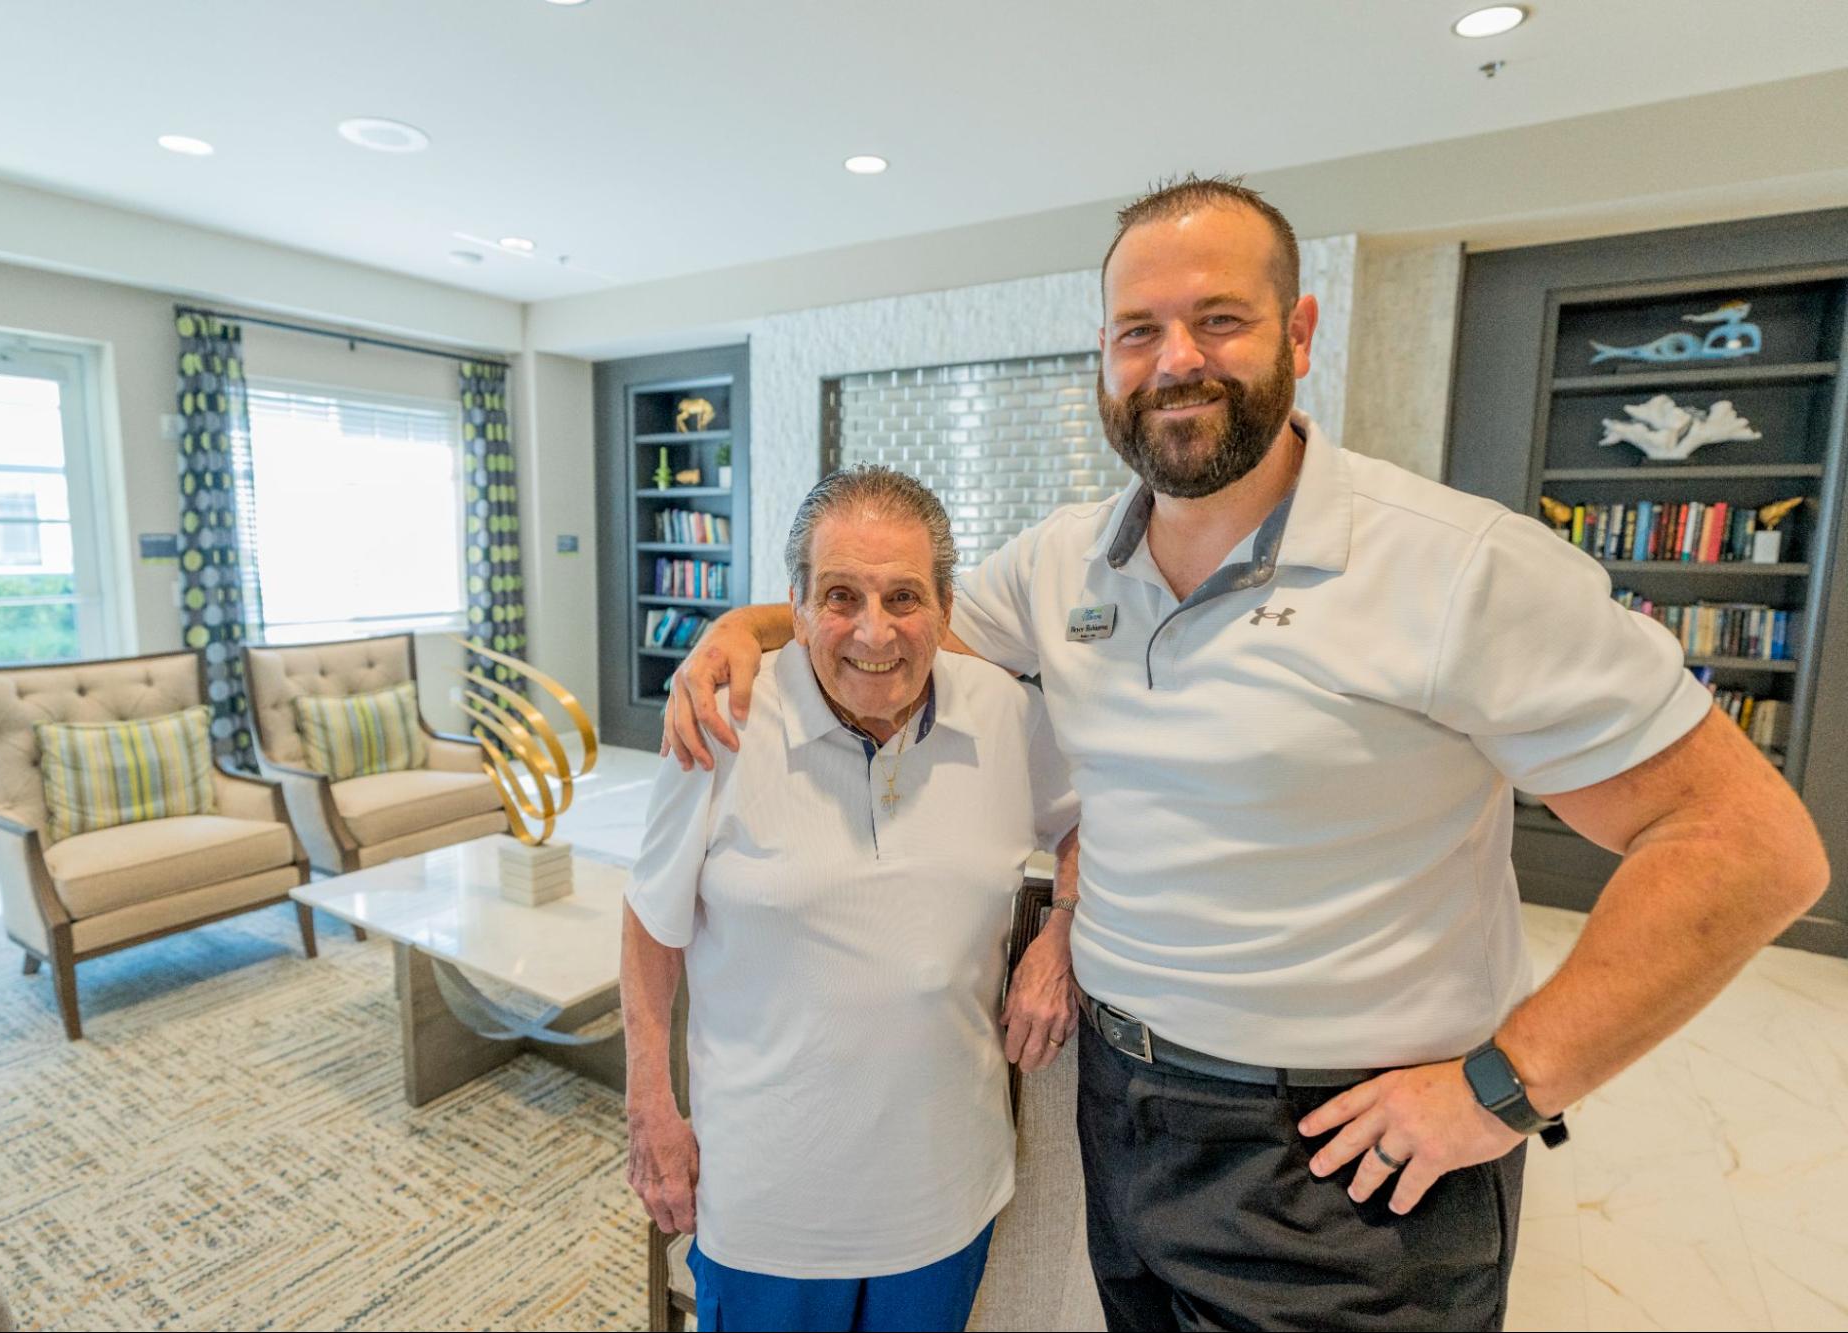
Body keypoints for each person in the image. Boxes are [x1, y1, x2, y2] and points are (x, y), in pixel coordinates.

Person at [659, 175, 1830, 1331]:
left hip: (1338, 1161)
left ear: (1298, 331)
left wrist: (1504, 1087)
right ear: (1104, 359)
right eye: (1138, 331)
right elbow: (890, 629)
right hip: (1125, 1112)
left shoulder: (1458, 566)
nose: (1176, 360)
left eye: (1217, 319)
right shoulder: (1063, 564)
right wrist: (752, 625)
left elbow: (1747, 845)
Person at [621, 465, 1080, 1333]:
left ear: (947, 610)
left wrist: (1058, 930)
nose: (875, 631)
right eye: (840, 595)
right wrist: (650, 1104)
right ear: (793, 607)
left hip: (943, 1193)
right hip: (769, 1205)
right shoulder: (722, 721)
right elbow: (650, 917)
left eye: (904, 597)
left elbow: (1089, 818)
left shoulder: (1006, 714)